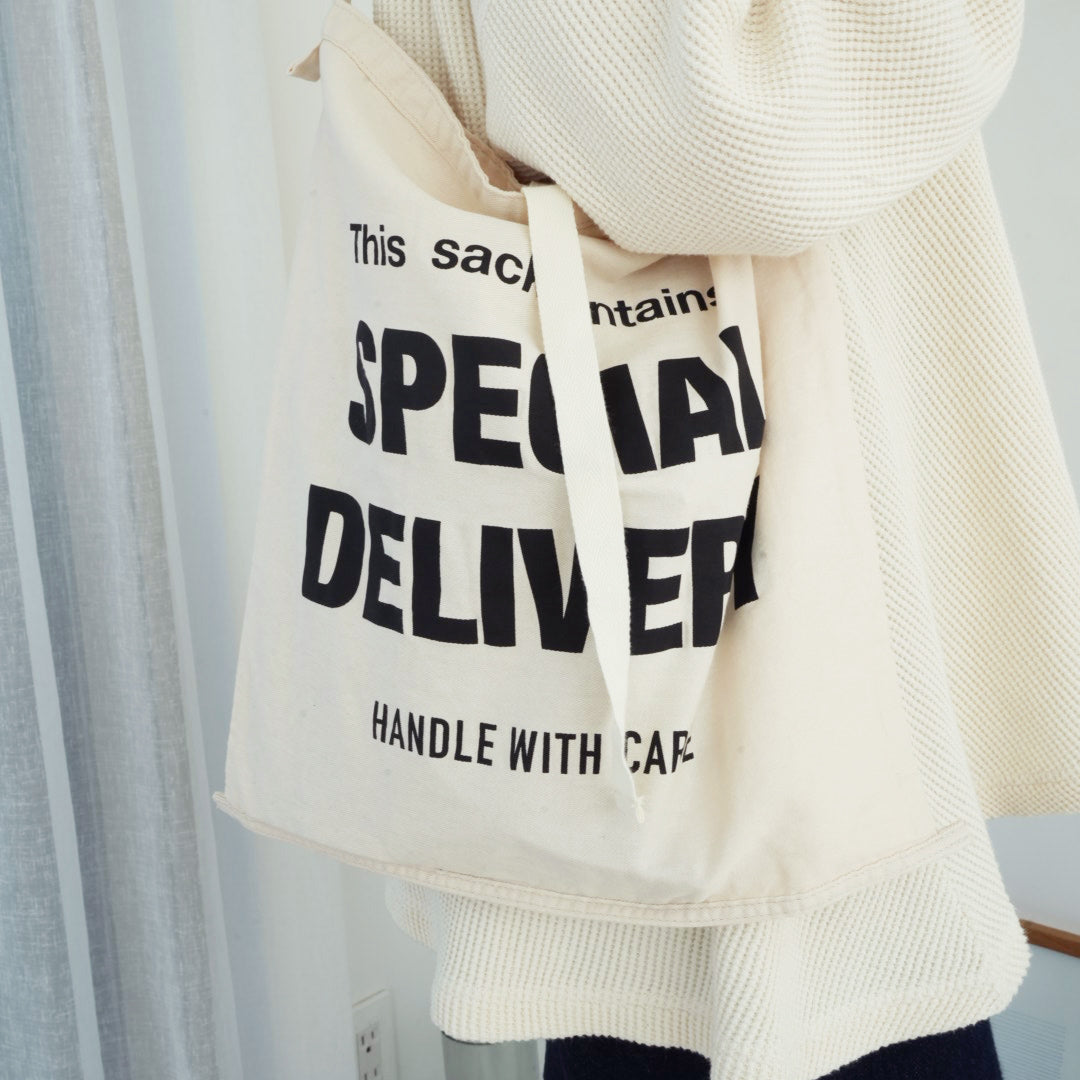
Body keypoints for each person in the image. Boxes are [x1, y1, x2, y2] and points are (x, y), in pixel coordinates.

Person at [362, 1, 1080, 1077]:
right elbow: (725, 138)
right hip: (752, 543)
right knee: (748, 966)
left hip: (689, 531)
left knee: (656, 968)